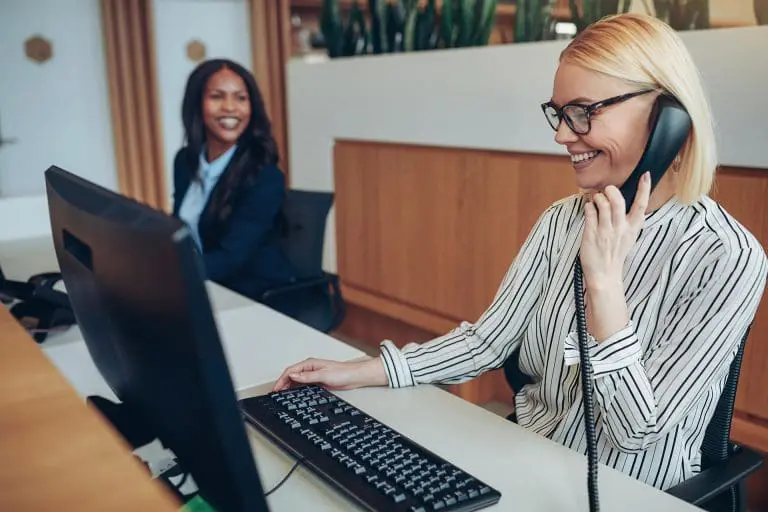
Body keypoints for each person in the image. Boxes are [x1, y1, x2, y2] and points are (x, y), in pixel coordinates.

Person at [273, 13, 768, 490]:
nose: (560, 135)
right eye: (558, 113)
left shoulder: (726, 258)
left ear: (669, 120)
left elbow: (636, 434)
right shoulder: (561, 221)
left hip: (629, 493)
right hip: (526, 457)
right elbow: (487, 341)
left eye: (583, 112)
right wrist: (362, 369)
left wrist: (604, 287)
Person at [172, 59, 296, 303]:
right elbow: (179, 229)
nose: (230, 107)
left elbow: (231, 259)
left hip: (255, 295)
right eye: (217, 97)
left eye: (241, 98)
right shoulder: (185, 161)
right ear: (197, 104)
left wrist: (168, 276)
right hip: (206, 286)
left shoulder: (264, 176)